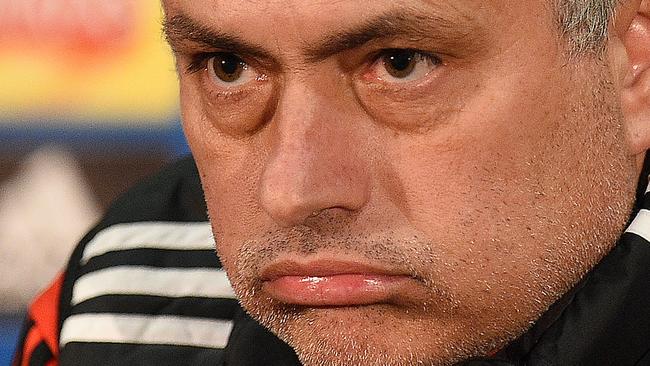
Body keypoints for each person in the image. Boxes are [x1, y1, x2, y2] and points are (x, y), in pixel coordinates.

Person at [13, 0, 650, 365]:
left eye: (401, 64)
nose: (291, 191)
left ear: (634, 65)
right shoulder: (126, 302)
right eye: (227, 68)